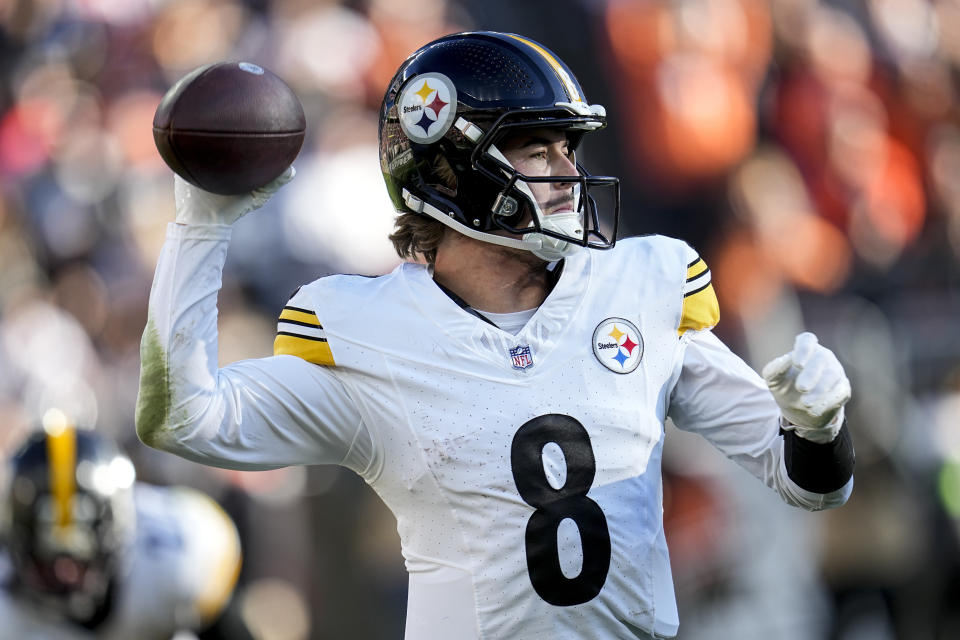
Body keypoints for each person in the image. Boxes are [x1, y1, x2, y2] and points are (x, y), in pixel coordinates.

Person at [135, 31, 855, 640]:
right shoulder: (370, 334)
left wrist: (820, 426)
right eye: (538, 150)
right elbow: (184, 419)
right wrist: (201, 223)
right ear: (450, 170)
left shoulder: (639, 286)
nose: (569, 173)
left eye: (568, 149)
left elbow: (804, 481)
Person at [0, 410, 252, 640]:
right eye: (46, 563)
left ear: (118, 534)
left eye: (80, 563)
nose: (65, 575)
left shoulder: (177, 557)